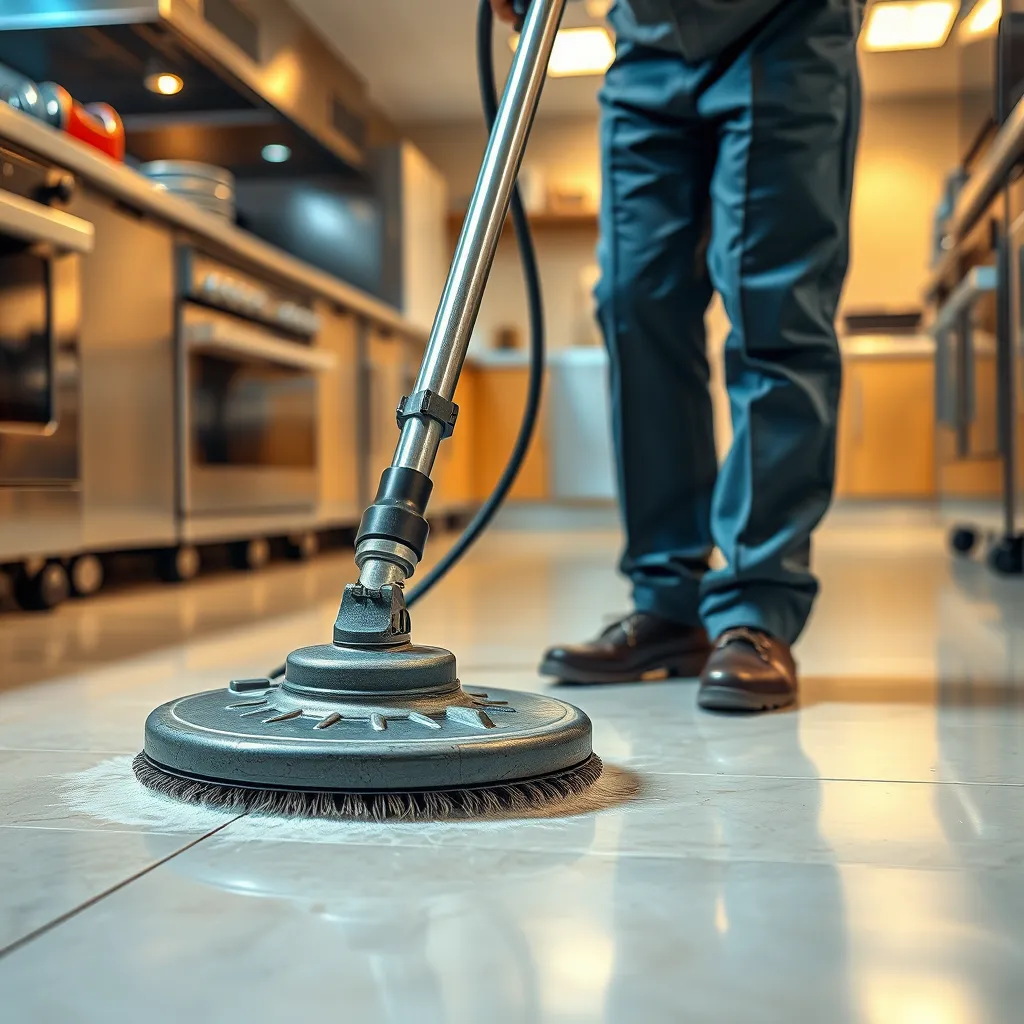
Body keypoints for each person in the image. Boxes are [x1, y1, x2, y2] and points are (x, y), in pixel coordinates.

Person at [491, 0, 862, 711]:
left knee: (772, 309)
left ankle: (756, 604)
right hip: (646, 45)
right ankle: (669, 605)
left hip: (782, 25)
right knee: (634, 305)